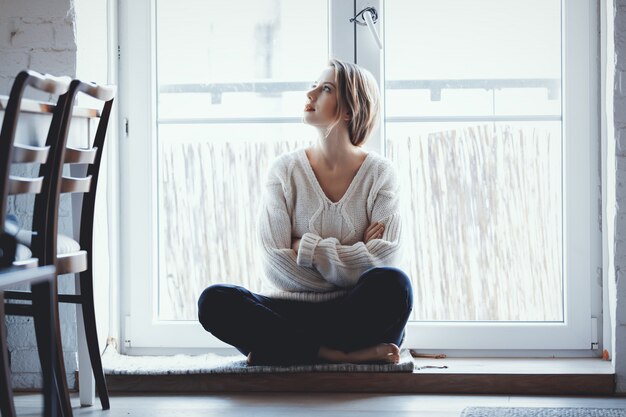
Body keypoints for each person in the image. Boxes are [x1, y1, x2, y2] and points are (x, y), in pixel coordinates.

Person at [197, 58, 413, 366]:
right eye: (313, 86)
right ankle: (334, 355)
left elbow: (384, 259)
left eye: (325, 89)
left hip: (352, 314)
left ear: (351, 109)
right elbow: (274, 265)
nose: (309, 96)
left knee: (394, 284)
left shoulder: (380, 173)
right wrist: (354, 256)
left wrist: (306, 248)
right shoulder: (284, 171)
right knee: (214, 301)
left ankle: (287, 349)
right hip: (288, 312)